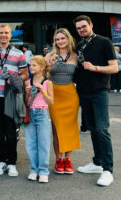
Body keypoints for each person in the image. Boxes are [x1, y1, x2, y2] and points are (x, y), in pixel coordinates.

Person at [74, 15, 118, 187]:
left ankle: (108, 170)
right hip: (83, 93)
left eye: (84, 26)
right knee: (92, 129)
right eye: (78, 28)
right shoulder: (79, 45)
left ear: (91, 25)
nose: (81, 30)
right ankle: (97, 163)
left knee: (101, 129)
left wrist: (96, 68)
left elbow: (114, 67)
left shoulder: (104, 42)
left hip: (99, 92)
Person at [0, 23, 28, 177]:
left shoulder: (19, 54)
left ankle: (12, 163)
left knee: (11, 132)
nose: (3, 35)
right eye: (0, 33)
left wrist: (15, 78)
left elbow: (25, 74)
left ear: (10, 35)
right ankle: (1, 161)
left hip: (10, 96)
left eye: (6, 32)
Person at [45, 28, 80, 175]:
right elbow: (43, 74)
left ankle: (68, 160)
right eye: (57, 39)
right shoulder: (50, 55)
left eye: (62, 38)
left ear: (68, 39)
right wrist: (50, 66)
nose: (60, 41)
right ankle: (59, 159)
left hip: (70, 94)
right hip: (54, 94)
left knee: (70, 128)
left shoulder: (76, 56)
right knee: (56, 128)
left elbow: (82, 75)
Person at [24, 55, 53, 183]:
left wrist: (43, 91)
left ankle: (43, 171)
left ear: (42, 67)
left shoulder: (48, 82)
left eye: (34, 65)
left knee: (44, 144)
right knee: (31, 144)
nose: (31, 67)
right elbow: (26, 102)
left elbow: (51, 101)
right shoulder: (28, 82)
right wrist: (28, 93)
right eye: (30, 65)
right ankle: (33, 169)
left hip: (42, 113)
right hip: (31, 113)